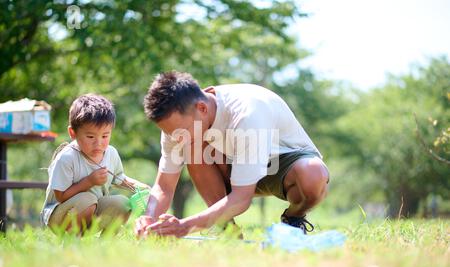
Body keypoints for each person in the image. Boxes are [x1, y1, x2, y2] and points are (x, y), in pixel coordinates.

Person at [135, 71, 329, 238]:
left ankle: (293, 218)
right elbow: (164, 186)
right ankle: (228, 232)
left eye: (181, 131)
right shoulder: (177, 125)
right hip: (233, 167)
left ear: (202, 108)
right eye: (171, 133)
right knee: (192, 146)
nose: (176, 138)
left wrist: (184, 226)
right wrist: (148, 220)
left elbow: (241, 198)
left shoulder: (247, 113)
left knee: (313, 174)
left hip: (282, 165)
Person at [41, 94, 149, 233]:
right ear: (72, 133)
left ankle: (104, 245)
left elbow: (119, 178)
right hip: (60, 216)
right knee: (87, 199)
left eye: (105, 136)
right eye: (90, 136)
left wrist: (140, 187)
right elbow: (60, 196)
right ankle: (73, 240)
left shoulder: (111, 153)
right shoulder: (67, 157)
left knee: (122, 203)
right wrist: (89, 181)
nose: (98, 143)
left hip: (93, 211)